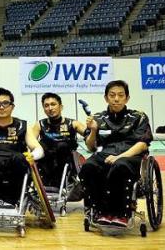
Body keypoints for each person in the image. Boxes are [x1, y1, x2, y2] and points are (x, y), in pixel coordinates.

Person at [80, 80, 153, 228]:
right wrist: (93, 130)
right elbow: (90, 147)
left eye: (121, 95)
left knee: (120, 165)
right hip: (105, 154)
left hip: (131, 156)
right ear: (106, 98)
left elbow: (143, 143)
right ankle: (100, 211)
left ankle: (122, 213)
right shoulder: (98, 118)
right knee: (88, 166)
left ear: (127, 98)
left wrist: (120, 157)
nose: (116, 99)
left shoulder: (139, 117)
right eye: (112, 95)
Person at [31, 92, 86, 188]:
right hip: (46, 162)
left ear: (61, 106)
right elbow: (30, 143)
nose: (50, 108)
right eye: (46, 105)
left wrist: (92, 128)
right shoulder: (39, 125)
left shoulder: (73, 124)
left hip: (65, 160)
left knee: (62, 146)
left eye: (53, 104)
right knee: (41, 147)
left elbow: (89, 135)